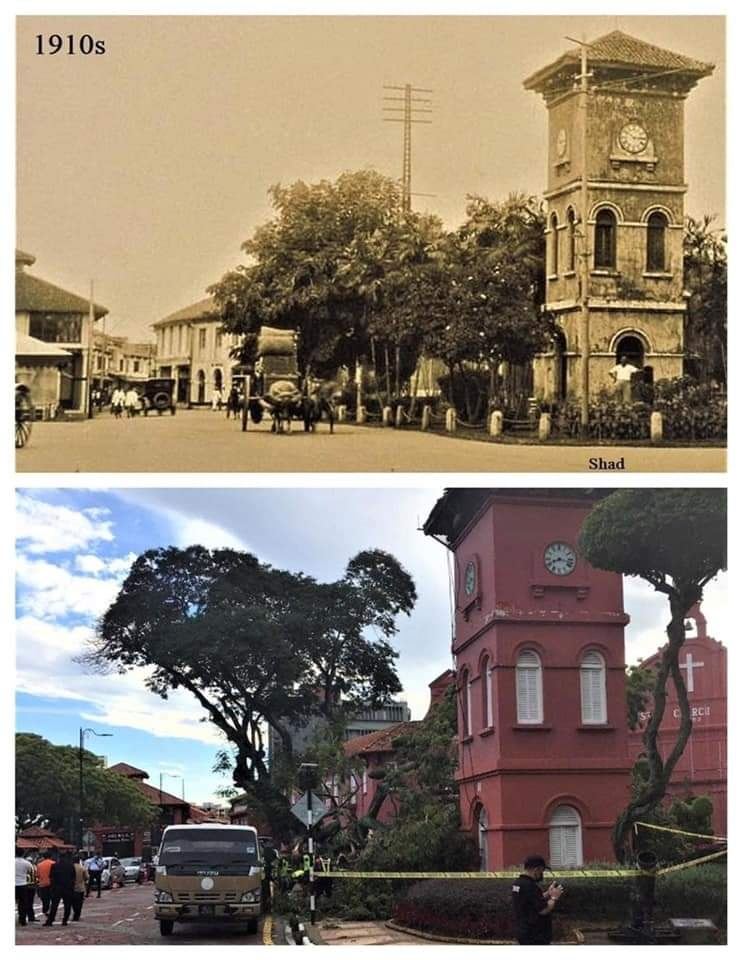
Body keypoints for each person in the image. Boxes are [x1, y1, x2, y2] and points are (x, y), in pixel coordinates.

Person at [511, 855, 564, 945]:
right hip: (535, 935)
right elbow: (543, 910)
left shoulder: (518, 883)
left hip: (522, 931)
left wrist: (548, 893)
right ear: (536, 870)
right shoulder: (530, 886)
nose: (541, 875)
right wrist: (554, 897)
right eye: (541, 871)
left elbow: (531, 900)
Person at [44, 852, 76, 926]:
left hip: (57, 888)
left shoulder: (54, 865)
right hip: (67, 888)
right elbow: (74, 877)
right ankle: (65, 920)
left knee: (54, 905)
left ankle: (50, 920)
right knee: (67, 905)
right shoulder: (71, 866)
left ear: (59, 858)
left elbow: (51, 877)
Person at [15, 848, 37, 925]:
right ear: (23, 854)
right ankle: (22, 920)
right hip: (23, 885)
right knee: (23, 904)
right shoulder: (27, 863)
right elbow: (31, 872)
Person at [35, 851, 56, 916]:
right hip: (52, 884)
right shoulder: (54, 863)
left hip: (43, 884)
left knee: (45, 899)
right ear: (51, 857)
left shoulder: (39, 865)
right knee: (53, 899)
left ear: (43, 857)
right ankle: (51, 911)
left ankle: (45, 910)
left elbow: (37, 875)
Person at [71, 855, 89, 921]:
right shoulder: (82, 868)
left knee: (73, 902)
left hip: (72, 888)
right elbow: (87, 877)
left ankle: (75, 913)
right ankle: (77, 914)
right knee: (80, 902)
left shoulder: (71, 867)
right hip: (81, 888)